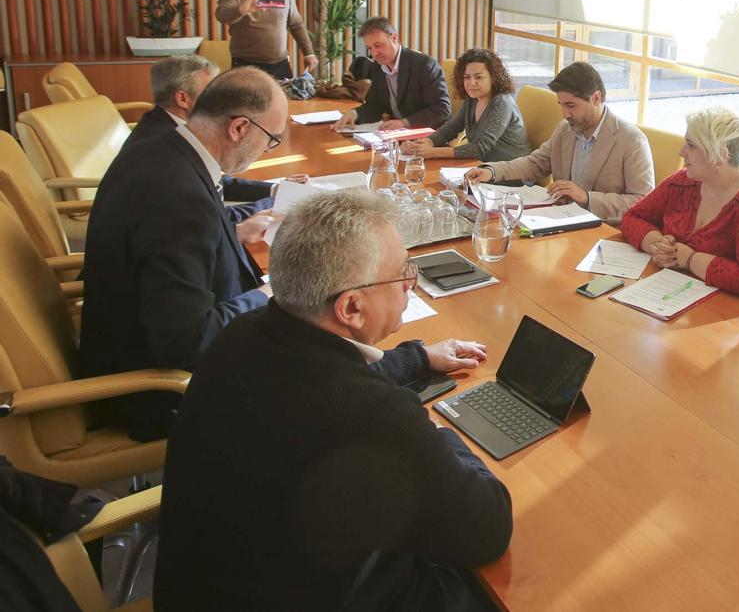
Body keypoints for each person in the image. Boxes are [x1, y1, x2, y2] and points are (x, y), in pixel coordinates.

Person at [155, 190, 511, 612]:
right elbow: (486, 528)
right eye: (402, 274)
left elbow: (323, 382)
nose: (408, 285)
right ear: (351, 307)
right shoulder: (374, 414)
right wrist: (439, 435)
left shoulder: (244, 334)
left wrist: (417, 357)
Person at [80, 67, 286, 441]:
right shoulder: (179, 198)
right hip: (155, 392)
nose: (267, 149)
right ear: (239, 128)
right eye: (271, 139)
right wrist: (269, 296)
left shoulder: (161, 148)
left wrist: (232, 235)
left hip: (125, 343)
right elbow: (186, 342)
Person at [620, 107, 739, 301]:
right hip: (684, 293)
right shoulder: (684, 181)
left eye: (691, 145)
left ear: (720, 156)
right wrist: (657, 245)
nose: (681, 152)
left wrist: (690, 259)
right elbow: (632, 218)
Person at [463, 61, 654, 222]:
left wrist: (586, 198)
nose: (565, 114)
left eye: (571, 105)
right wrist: (492, 171)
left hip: (602, 228)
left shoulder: (631, 140)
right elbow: (535, 163)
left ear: (596, 98)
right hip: (560, 219)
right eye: (561, 105)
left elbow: (643, 202)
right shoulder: (566, 128)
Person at [125, 54, 308, 220]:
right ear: (182, 99)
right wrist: (277, 202)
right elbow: (207, 216)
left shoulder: (172, 133)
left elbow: (214, 180)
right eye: (211, 90)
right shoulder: (168, 163)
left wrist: (273, 190)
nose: (221, 96)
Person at [400, 47, 531, 162]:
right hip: (482, 169)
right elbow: (450, 129)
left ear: (494, 77)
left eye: (478, 77)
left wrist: (432, 152)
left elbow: (479, 148)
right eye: (467, 77)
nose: (471, 83)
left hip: (513, 174)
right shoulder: (473, 99)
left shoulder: (501, 102)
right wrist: (423, 144)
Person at [332, 16, 451, 131]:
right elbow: (375, 106)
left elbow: (441, 109)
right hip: (398, 135)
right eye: (370, 48)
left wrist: (404, 123)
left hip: (431, 134)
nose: (374, 54)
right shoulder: (376, 67)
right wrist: (355, 113)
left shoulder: (424, 65)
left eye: (378, 46)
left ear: (394, 38)